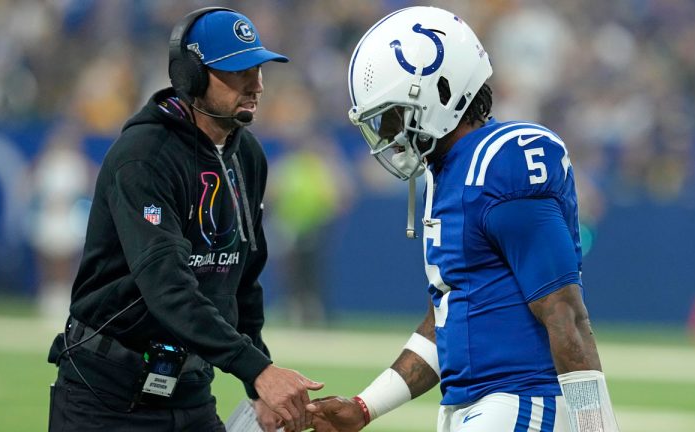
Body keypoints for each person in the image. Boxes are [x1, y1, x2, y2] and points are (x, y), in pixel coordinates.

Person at [308, 6, 620, 432]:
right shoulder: (446, 173)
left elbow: (566, 313)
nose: (386, 132)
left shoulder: (505, 158)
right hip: (477, 408)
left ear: (440, 92)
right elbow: (448, 319)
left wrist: (596, 426)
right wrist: (366, 407)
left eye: (393, 112)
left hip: (523, 402)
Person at [47, 7, 322, 432]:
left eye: (259, 69)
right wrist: (257, 371)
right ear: (190, 77)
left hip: (190, 391)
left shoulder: (247, 156)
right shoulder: (143, 157)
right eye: (238, 71)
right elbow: (166, 284)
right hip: (106, 397)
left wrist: (258, 383)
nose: (257, 85)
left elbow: (243, 282)